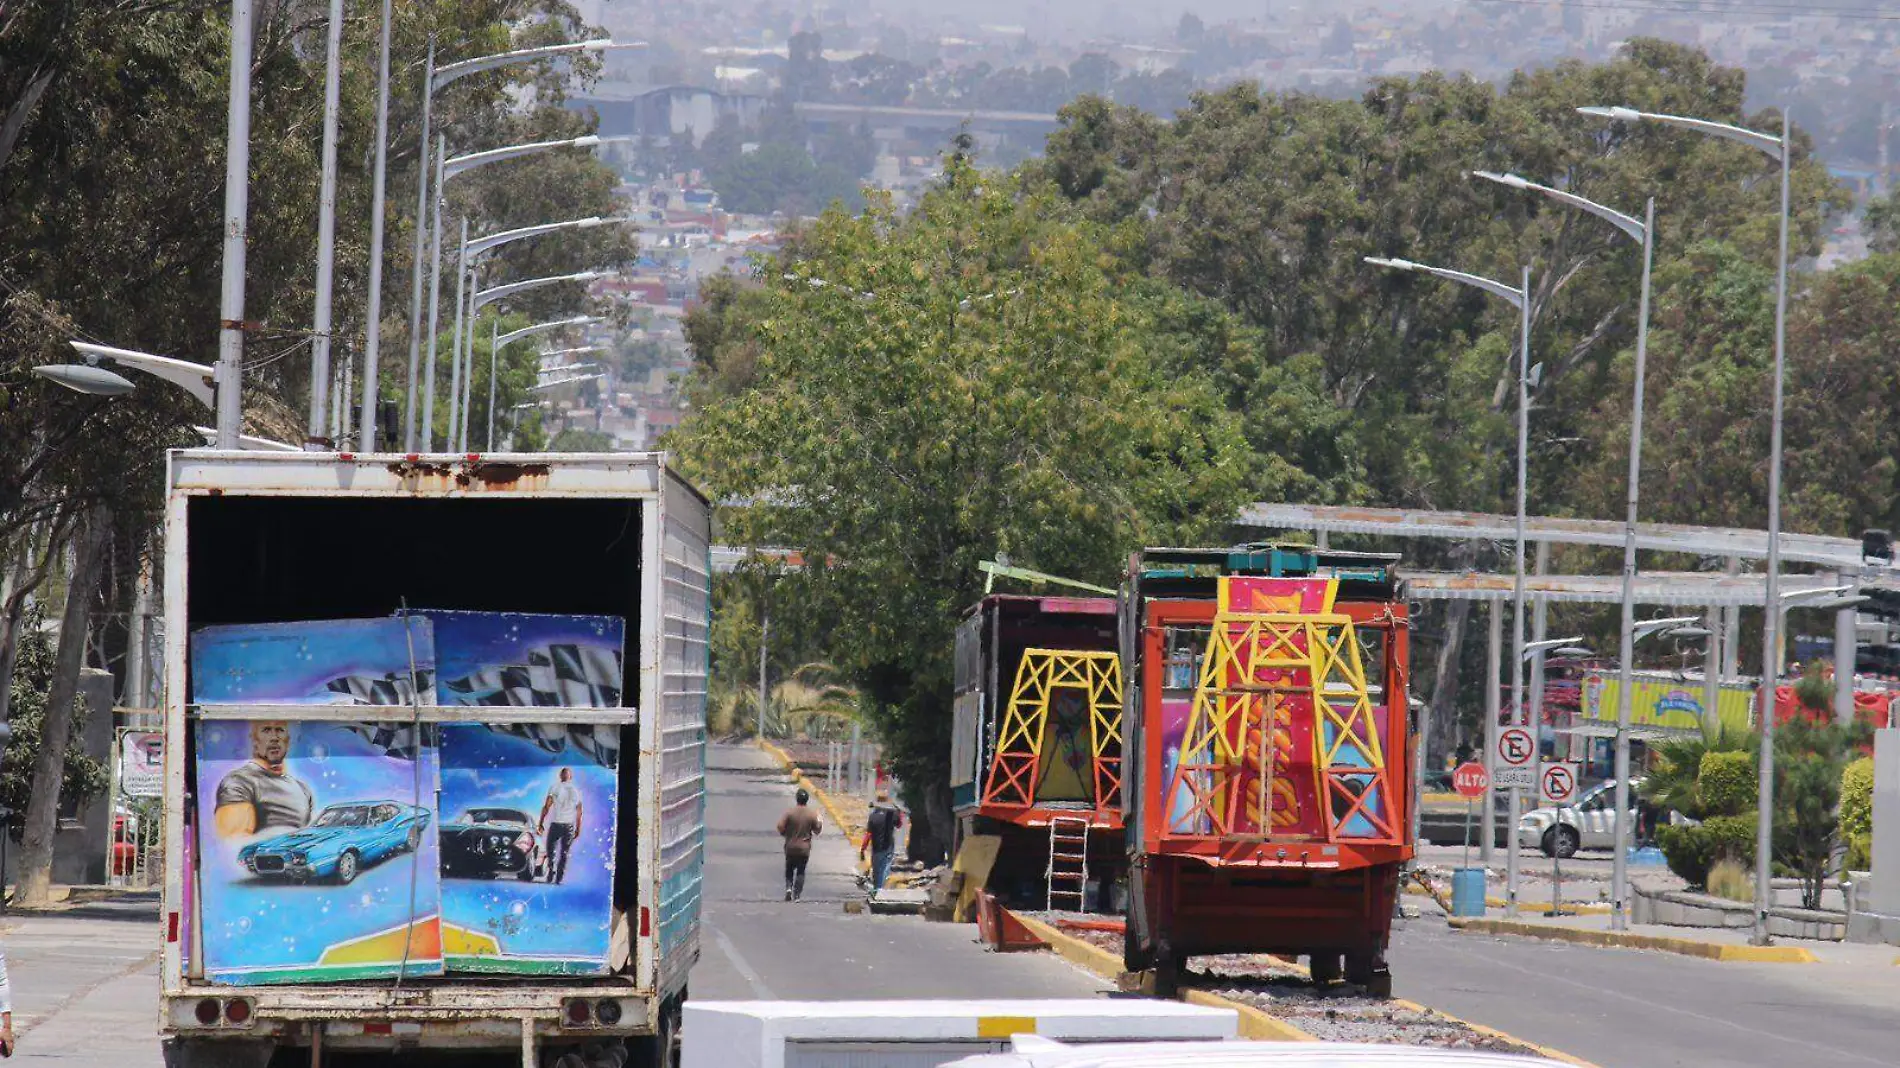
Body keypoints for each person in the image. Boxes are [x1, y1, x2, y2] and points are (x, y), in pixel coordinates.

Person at [214, 720, 313, 839]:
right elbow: (233, 842)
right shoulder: (239, 782)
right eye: (266, 730)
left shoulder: (303, 789)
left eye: (280, 730)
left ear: (288, 740)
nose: (274, 737)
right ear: (254, 739)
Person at [538, 767, 584, 885]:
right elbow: (579, 812)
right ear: (570, 777)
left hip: (558, 824)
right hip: (568, 825)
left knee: (551, 849)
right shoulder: (576, 790)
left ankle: (553, 872)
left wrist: (541, 822)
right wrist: (578, 828)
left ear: (561, 776)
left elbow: (546, 806)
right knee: (563, 852)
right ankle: (558, 876)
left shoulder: (555, 787)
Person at [775, 787, 822, 901]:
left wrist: (785, 834)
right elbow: (817, 831)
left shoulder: (790, 812)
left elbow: (780, 826)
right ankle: (797, 895)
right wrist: (820, 821)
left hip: (790, 846)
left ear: (797, 799)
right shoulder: (811, 814)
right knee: (801, 871)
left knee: (789, 869)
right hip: (804, 848)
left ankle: (788, 888)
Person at [860, 788, 904, 892]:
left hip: (876, 847)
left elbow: (868, 834)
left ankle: (877, 889)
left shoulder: (873, 816)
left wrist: (863, 848)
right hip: (888, 845)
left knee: (877, 870)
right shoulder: (892, 813)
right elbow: (899, 825)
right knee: (885, 867)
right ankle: (881, 889)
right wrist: (899, 812)